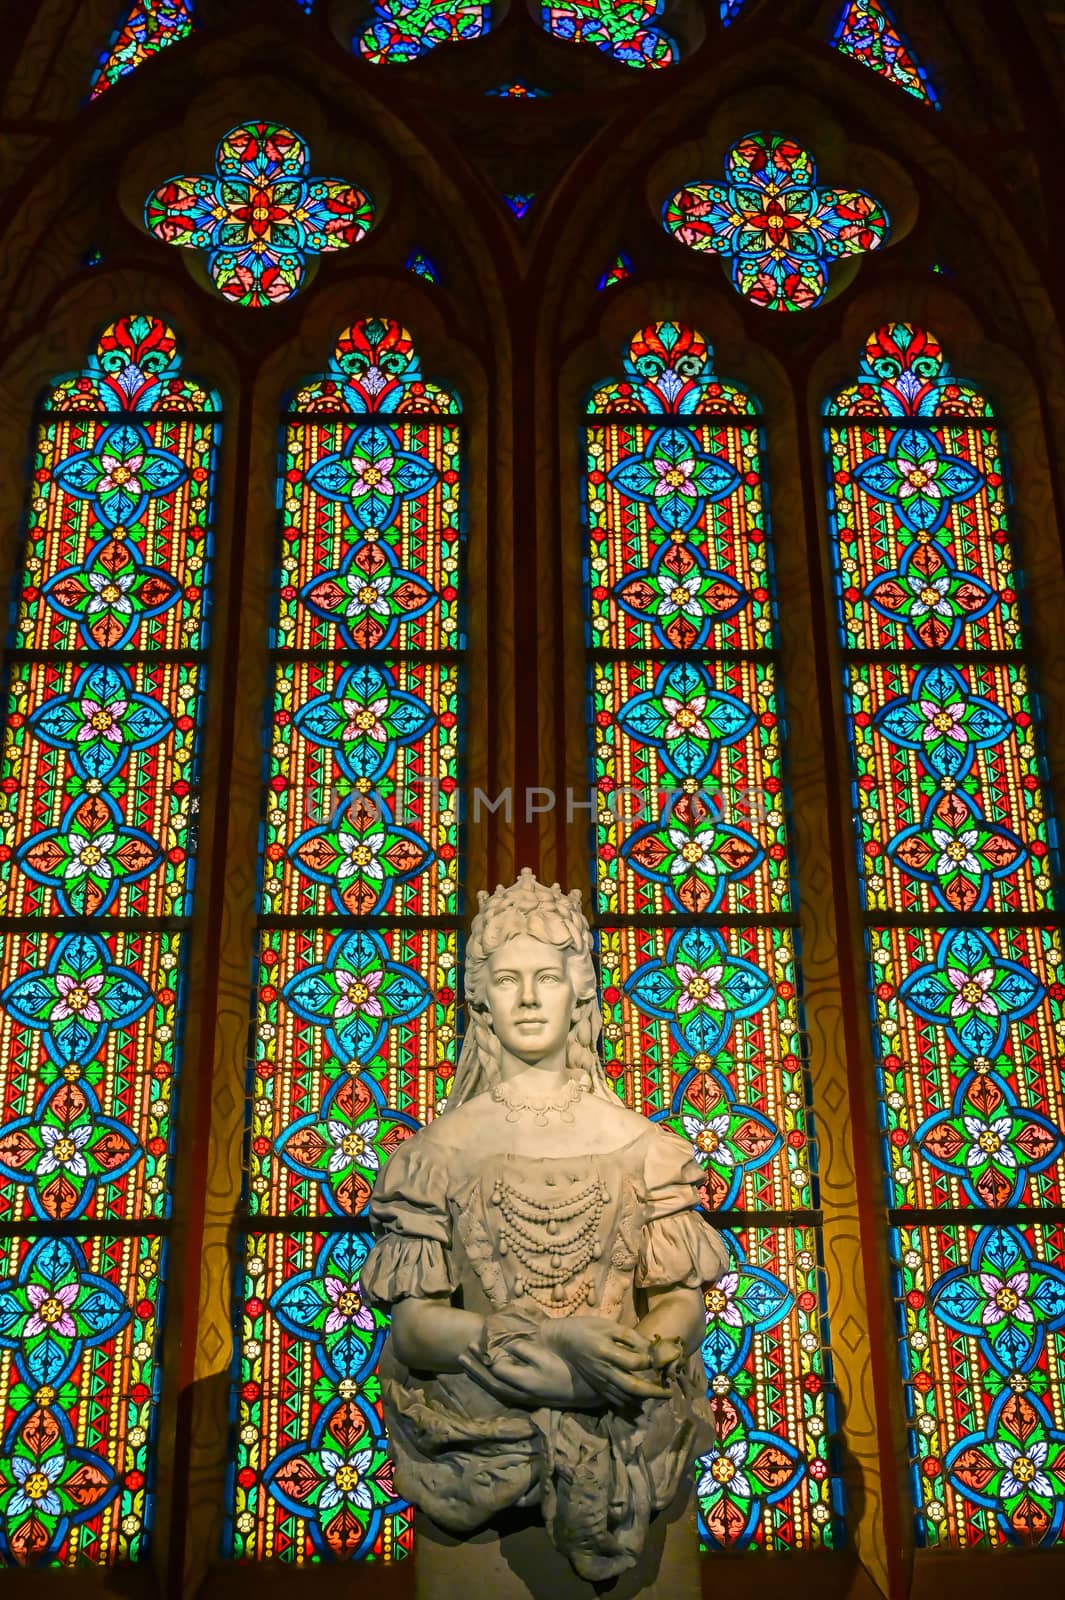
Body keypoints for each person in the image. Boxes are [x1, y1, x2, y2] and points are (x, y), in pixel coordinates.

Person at [361, 870, 728, 1582]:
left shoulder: (646, 1148)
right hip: (473, 1456)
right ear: (479, 998)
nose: (528, 999)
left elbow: (681, 1303)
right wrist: (551, 1344)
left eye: (546, 978)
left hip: (636, 1444)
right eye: (506, 980)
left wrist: (622, 1369)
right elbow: (413, 1328)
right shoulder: (434, 1155)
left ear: (580, 988)